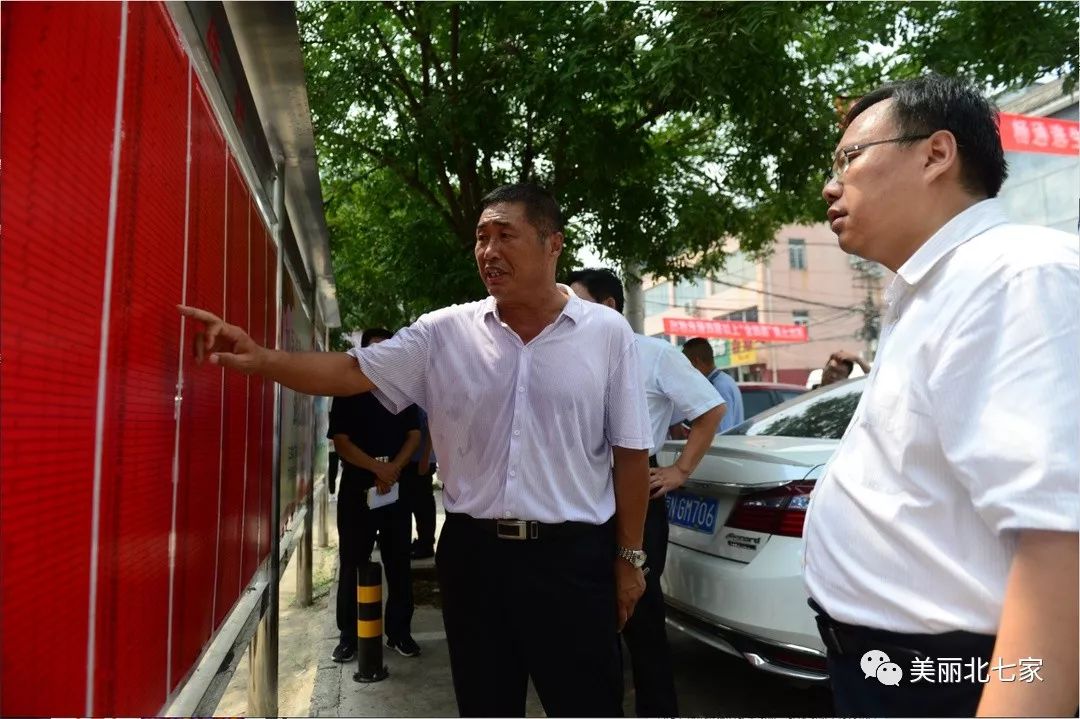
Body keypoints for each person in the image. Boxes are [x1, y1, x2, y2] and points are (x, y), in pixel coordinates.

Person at [178, 183, 653, 717]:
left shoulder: (608, 334)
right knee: (485, 704)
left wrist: (629, 558)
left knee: (587, 703)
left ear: (552, 245)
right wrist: (261, 358)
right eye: (481, 238)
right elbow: (350, 370)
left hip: (572, 559)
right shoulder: (445, 332)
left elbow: (630, 454)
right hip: (476, 557)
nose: (488, 251)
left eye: (505, 236)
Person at [805, 73, 1079, 717]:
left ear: (936, 153)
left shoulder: (1016, 276)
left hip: (960, 679)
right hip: (890, 669)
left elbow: (1061, 547)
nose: (831, 183)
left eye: (850, 158)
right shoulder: (928, 291)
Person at [568, 267, 724, 717]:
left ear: (609, 306)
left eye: (579, 303)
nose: (570, 313)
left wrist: (680, 469)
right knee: (592, 611)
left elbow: (711, 409)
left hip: (639, 487)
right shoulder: (569, 356)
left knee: (640, 610)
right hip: (582, 491)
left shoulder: (653, 354)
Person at [328, 327, 422, 662]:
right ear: (364, 354)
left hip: (397, 484)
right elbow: (341, 441)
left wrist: (393, 468)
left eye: (388, 349)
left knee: (398, 560)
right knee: (353, 561)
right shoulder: (347, 392)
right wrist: (377, 469)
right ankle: (349, 636)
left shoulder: (404, 390)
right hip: (358, 486)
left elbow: (414, 434)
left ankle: (400, 633)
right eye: (374, 350)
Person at [681, 336, 745, 432]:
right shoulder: (724, 380)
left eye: (687, 365)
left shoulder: (718, 387)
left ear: (696, 362)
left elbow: (723, 431)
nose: (686, 370)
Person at [402, 406, 437, 559]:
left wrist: (425, 457)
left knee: (423, 504)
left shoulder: (423, 399)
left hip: (421, 459)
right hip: (411, 460)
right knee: (411, 502)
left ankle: (426, 543)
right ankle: (420, 541)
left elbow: (431, 428)